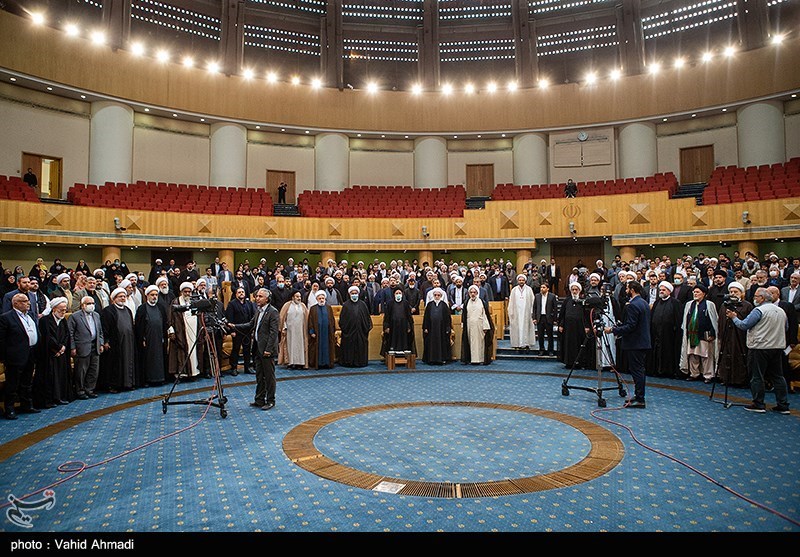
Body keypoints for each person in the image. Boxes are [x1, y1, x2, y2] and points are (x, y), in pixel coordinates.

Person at [726, 287, 790, 414]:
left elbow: (744, 325)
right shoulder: (781, 311)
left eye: (756, 296)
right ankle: (783, 405)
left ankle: (758, 403)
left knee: (757, 376)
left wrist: (734, 317)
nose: (754, 298)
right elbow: (786, 327)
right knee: (778, 377)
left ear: (762, 298)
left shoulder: (759, 310)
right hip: (777, 347)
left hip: (759, 347)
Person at [228, 288, 279, 411]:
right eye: (257, 296)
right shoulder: (258, 311)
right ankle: (259, 399)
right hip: (257, 348)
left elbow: (273, 333)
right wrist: (234, 326)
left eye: (260, 296)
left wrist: (268, 349)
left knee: (269, 377)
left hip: (266, 350)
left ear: (267, 299)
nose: (257, 298)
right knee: (259, 376)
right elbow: (250, 325)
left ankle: (270, 400)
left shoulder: (273, 312)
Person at [605, 280, 651, 409]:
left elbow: (630, 326)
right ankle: (638, 395)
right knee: (639, 370)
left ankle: (640, 399)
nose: (625, 291)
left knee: (637, 371)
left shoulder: (632, 305)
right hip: (642, 342)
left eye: (627, 288)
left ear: (632, 290)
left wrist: (613, 330)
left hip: (635, 343)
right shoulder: (644, 303)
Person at [0, 293, 41, 419]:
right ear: (16, 303)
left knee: (27, 382)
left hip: (30, 353)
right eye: (24, 301)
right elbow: (2, 340)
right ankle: (9, 409)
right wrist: (5, 357)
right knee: (12, 384)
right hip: (15, 356)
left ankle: (26, 405)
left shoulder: (31, 315)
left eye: (28, 300)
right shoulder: (6, 318)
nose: (28, 303)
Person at [35, 297, 73, 408]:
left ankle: (60, 397)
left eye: (65, 310)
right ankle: (50, 399)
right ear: (54, 309)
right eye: (61, 310)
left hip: (61, 354)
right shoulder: (45, 321)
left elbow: (66, 335)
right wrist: (57, 348)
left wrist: (63, 347)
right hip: (50, 354)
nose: (63, 312)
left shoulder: (63, 320)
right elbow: (47, 337)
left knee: (61, 376)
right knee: (50, 377)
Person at [714, 281, 753, 387]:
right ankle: (725, 378)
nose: (733, 294)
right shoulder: (724, 305)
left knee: (738, 357)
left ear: (741, 293)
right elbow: (720, 321)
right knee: (725, 356)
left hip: (740, 336)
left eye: (736, 292)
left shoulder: (747, 306)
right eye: (731, 292)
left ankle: (739, 380)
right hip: (726, 336)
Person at [679, 284, 719, 383]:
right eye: (694, 292)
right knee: (692, 355)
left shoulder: (709, 304)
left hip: (705, 335)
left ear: (704, 294)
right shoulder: (689, 304)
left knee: (706, 356)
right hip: (691, 334)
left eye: (697, 292)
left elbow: (714, 320)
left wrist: (712, 334)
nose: (695, 294)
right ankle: (694, 374)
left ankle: (708, 375)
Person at [100, 287, 136, 393]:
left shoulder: (128, 310)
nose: (123, 298)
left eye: (124, 296)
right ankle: (115, 385)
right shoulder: (108, 311)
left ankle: (128, 383)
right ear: (114, 298)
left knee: (128, 362)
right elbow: (105, 328)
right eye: (120, 297)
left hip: (128, 341)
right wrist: (106, 341)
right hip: (115, 342)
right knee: (115, 364)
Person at [68, 295, 104, 399]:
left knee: (93, 370)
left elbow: (100, 331)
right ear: (83, 305)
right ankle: (80, 391)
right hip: (81, 347)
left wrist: (101, 343)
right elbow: (70, 333)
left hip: (95, 346)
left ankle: (89, 389)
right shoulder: (74, 316)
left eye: (92, 303)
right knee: (81, 371)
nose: (91, 305)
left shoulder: (96, 315)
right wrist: (72, 347)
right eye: (89, 303)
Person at [168, 283, 204, 380]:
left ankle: (194, 373)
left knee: (194, 352)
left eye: (189, 292)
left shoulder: (195, 302)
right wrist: (171, 331)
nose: (187, 294)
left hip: (194, 332)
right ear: (181, 292)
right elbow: (170, 318)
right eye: (185, 292)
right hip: (181, 332)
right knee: (181, 352)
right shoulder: (175, 302)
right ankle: (183, 374)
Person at [647, 281, 683, 378]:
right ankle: (656, 370)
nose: (661, 291)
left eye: (664, 290)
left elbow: (678, 319)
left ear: (669, 291)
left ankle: (667, 371)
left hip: (669, 334)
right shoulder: (656, 302)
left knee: (667, 352)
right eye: (660, 290)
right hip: (656, 333)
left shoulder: (675, 303)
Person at [135, 285, 169, 387]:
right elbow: (139, 326)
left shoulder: (161, 308)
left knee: (160, 358)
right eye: (152, 295)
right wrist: (142, 338)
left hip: (159, 338)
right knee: (148, 359)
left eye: (156, 295)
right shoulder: (142, 309)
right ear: (147, 296)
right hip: (148, 339)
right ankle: (148, 380)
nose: (154, 297)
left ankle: (160, 378)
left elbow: (164, 323)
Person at [338, 286, 373, 368]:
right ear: (349, 294)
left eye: (355, 293)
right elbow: (342, 320)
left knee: (360, 346)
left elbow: (367, 318)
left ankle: (361, 362)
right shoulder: (346, 305)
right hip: (349, 332)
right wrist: (347, 329)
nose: (354, 295)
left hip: (361, 332)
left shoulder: (363, 304)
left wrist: (364, 328)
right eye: (352, 293)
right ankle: (348, 362)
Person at [558, 282, 590, 369]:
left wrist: (586, 326)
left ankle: (580, 363)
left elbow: (586, 315)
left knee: (579, 345)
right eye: (573, 290)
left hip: (579, 328)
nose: (574, 291)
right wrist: (561, 325)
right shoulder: (567, 301)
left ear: (579, 290)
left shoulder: (583, 301)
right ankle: (568, 362)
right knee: (568, 345)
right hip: (568, 328)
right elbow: (562, 314)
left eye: (576, 289)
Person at [460, 284, 494, 365]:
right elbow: (464, 315)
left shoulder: (481, 302)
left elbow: (485, 315)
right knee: (471, 342)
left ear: (477, 293)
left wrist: (485, 326)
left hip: (479, 325)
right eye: (471, 292)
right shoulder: (466, 302)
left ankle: (480, 359)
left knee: (479, 343)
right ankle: (471, 359)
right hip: (469, 325)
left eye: (474, 292)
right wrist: (463, 325)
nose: (472, 294)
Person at [225, 287, 255, 375]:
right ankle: (234, 368)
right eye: (239, 292)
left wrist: (252, 329)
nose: (241, 293)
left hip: (247, 331)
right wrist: (231, 331)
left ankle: (247, 367)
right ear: (236, 294)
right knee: (236, 349)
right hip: (236, 331)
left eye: (242, 292)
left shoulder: (249, 303)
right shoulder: (232, 304)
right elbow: (229, 318)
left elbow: (253, 316)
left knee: (247, 350)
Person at [381, 286, 416, 359]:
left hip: (404, 327)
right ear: (394, 294)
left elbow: (409, 316)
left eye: (399, 293)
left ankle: (404, 357)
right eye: (396, 293)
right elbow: (387, 316)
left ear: (402, 294)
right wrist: (386, 327)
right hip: (393, 327)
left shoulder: (406, 303)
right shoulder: (390, 303)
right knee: (392, 343)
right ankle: (392, 358)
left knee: (404, 342)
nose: (398, 294)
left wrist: (409, 326)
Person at [278, 290, 309, 370]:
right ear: (293, 297)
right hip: (290, 331)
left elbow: (307, 318)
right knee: (290, 346)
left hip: (301, 330)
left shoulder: (303, 306)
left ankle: (301, 363)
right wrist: (284, 328)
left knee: (300, 346)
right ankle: (291, 362)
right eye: (297, 296)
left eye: (300, 296)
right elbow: (282, 318)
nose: (299, 298)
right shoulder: (287, 305)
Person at [422, 287, 452, 365]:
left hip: (441, 329)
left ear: (441, 296)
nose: (437, 296)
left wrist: (448, 328)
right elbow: (426, 317)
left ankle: (441, 359)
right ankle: (431, 360)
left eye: (438, 295)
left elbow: (448, 318)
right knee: (431, 343)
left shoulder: (444, 305)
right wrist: (425, 327)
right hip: (431, 328)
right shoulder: (429, 305)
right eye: (435, 295)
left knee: (442, 343)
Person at [307, 290, 337, 369]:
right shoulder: (313, 308)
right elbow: (310, 321)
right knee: (318, 348)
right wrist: (311, 332)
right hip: (318, 333)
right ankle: (319, 363)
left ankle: (327, 363)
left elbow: (332, 320)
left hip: (327, 333)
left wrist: (333, 330)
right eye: (319, 298)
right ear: (317, 299)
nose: (321, 300)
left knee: (327, 347)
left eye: (323, 298)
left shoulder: (328, 308)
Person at [507, 274, 536, 350]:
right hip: (516, 313)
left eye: (523, 280)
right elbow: (511, 302)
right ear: (517, 281)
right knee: (517, 328)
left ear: (525, 281)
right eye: (520, 280)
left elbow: (533, 301)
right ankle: (516, 343)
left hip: (527, 312)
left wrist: (532, 312)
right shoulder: (514, 290)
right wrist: (511, 312)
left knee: (526, 327)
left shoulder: (529, 289)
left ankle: (526, 343)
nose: (521, 281)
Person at [533, 282, 558, 356]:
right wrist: (534, 318)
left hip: (549, 318)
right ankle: (541, 350)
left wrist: (555, 319)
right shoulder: (537, 296)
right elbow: (534, 308)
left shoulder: (552, 296)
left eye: (544, 287)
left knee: (550, 335)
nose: (542, 289)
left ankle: (550, 350)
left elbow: (555, 308)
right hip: (540, 318)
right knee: (540, 336)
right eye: (541, 287)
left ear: (548, 289)